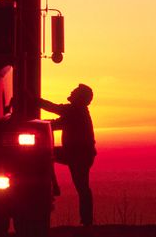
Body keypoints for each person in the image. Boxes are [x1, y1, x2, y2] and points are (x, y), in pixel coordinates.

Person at [39, 84, 97, 227]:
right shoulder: (76, 111)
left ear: (79, 97)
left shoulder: (75, 110)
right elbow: (55, 124)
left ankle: (54, 185)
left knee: (45, 154)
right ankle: (86, 220)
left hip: (78, 154)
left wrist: (34, 99)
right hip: (78, 153)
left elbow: (53, 109)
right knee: (83, 187)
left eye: (75, 91)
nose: (71, 91)